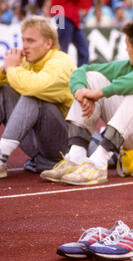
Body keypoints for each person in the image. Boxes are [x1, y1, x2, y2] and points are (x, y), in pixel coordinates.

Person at [40, 18, 133, 186]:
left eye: (127, 45)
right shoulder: (130, 65)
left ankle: (98, 162)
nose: (126, 49)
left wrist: (99, 93)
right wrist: (80, 92)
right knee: (94, 78)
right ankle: (75, 157)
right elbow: (83, 70)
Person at [0, 15, 76, 178]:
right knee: (4, 90)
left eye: (31, 41)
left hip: (68, 145)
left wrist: (12, 69)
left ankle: (1, 157)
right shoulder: (29, 61)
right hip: (40, 144)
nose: (24, 46)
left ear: (48, 43)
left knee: (33, 96)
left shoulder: (61, 62)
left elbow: (36, 87)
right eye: (24, 40)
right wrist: (4, 70)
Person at [49, 0, 91, 67]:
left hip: (72, 19)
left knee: (84, 51)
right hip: (62, 16)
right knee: (62, 51)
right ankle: (59, 73)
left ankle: (81, 73)